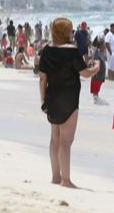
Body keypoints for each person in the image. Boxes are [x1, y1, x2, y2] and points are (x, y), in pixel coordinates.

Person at [39, 18, 99, 188]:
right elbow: (85, 73)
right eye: (70, 30)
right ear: (64, 32)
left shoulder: (46, 50)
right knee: (66, 141)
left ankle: (55, 177)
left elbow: (42, 79)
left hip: (51, 97)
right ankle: (66, 180)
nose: (72, 33)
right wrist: (97, 67)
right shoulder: (72, 51)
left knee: (55, 139)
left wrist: (43, 101)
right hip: (69, 98)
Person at [89, 36, 107, 103]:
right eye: (104, 44)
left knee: (98, 86)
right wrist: (95, 72)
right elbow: (94, 62)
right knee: (96, 86)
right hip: (97, 73)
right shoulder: (97, 52)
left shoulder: (101, 52)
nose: (105, 46)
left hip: (100, 73)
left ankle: (96, 97)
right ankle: (95, 98)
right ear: (101, 45)